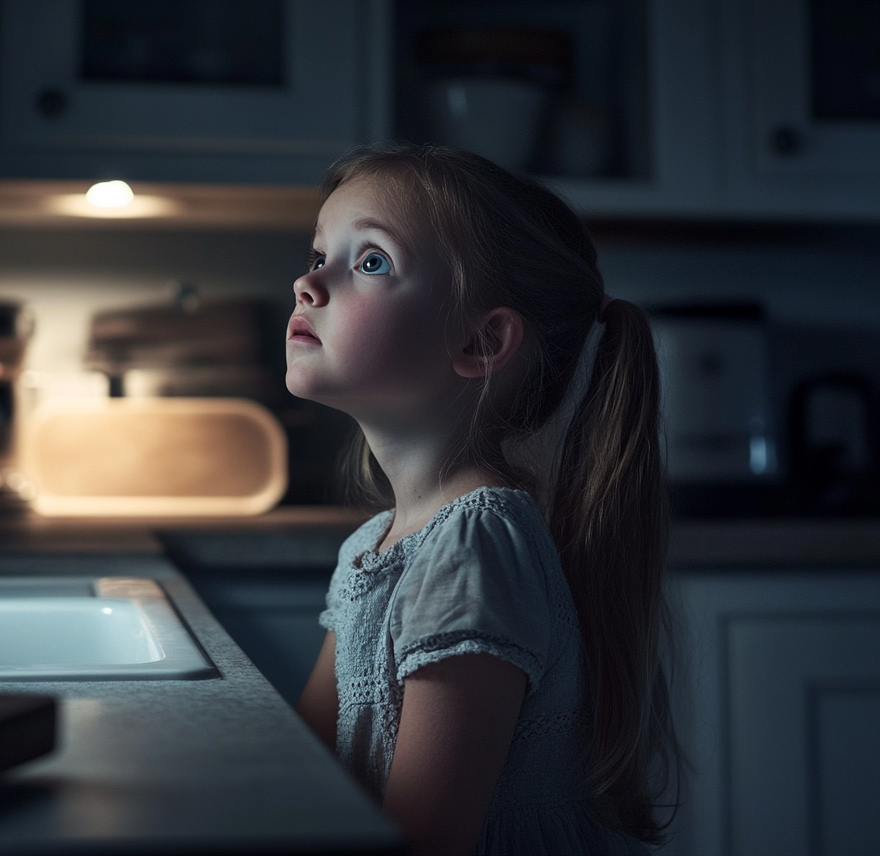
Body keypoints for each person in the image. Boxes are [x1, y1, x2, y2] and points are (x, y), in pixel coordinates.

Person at [288, 144, 678, 856]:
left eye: (370, 261)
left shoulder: (475, 542)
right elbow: (303, 765)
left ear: (481, 340)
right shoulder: (374, 545)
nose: (308, 285)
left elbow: (426, 841)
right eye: (319, 255)